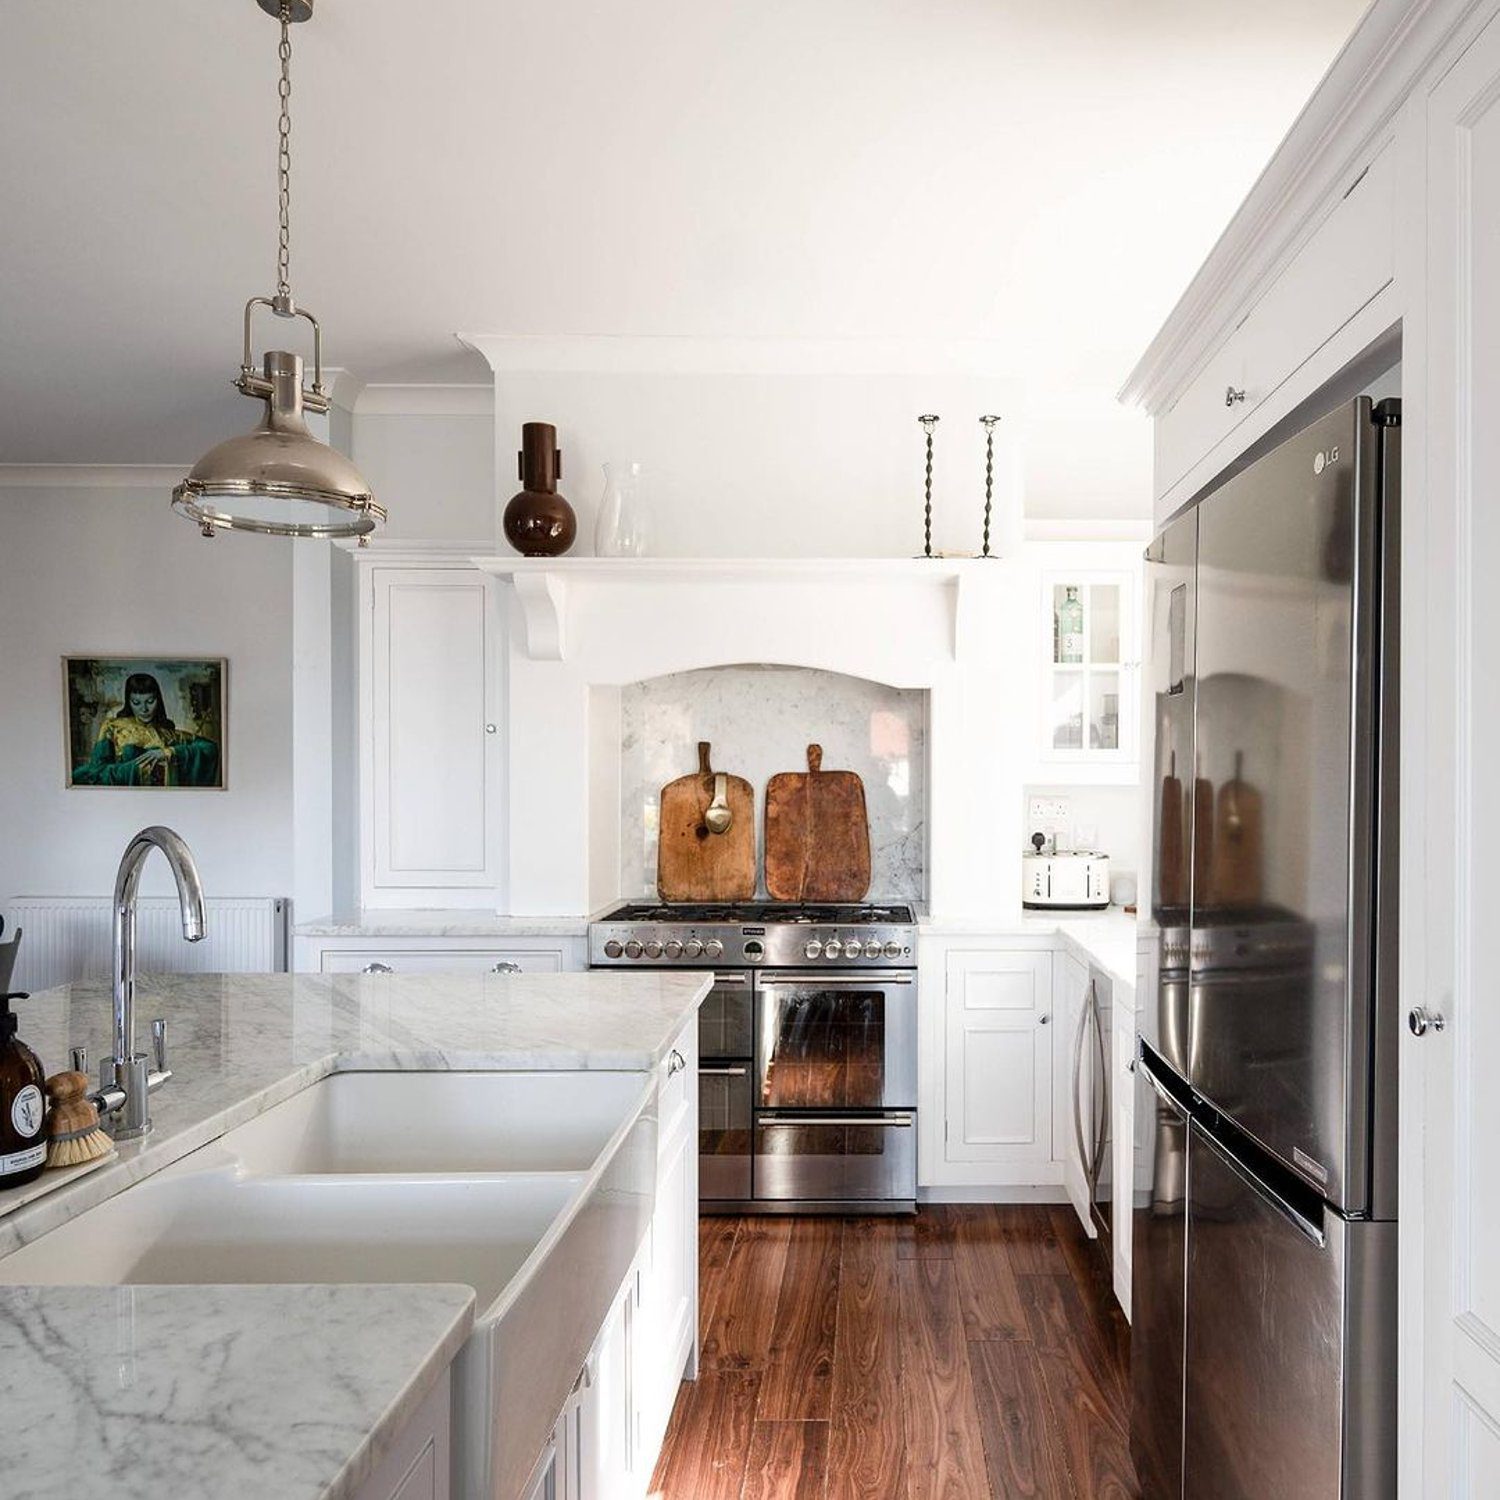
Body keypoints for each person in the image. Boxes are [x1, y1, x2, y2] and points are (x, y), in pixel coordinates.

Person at [72, 672, 219, 787]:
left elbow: (210, 748)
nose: (144, 709)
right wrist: (136, 768)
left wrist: (168, 753)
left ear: (158, 700)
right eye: (136, 702)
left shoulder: (168, 733)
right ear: (129, 702)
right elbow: (97, 774)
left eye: (150, 701)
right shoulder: (113, 727)